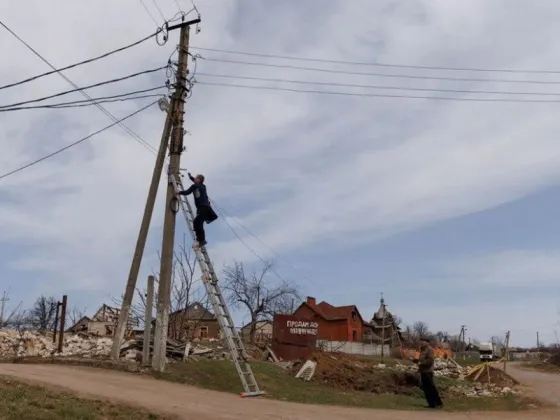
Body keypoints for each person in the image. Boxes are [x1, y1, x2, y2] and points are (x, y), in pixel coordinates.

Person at [177, 172, 218, 248]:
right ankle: (200, 239)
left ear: (199, 180)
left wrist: (179, 192)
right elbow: (196, 183)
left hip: (203, 208)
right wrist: (191, 177)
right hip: (206, 208)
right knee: (198, 223)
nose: (194, 179)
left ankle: (201, 240)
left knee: (197, 223)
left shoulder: (195, 186)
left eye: (196, 178)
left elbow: (187, 192)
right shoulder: (202, 186)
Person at [417, 337, 443, 409]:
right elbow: (421, 359)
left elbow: (430, 360)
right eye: (421, 341)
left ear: (427, 342)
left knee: (431, 388)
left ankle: (438, 403)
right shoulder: (422, 350)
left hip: (428, 371)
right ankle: (431, 404)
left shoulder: (429, 349)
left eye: (423, 341)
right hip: (423, 371)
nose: (421, 343)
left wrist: (421, 364)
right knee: (426, 389)